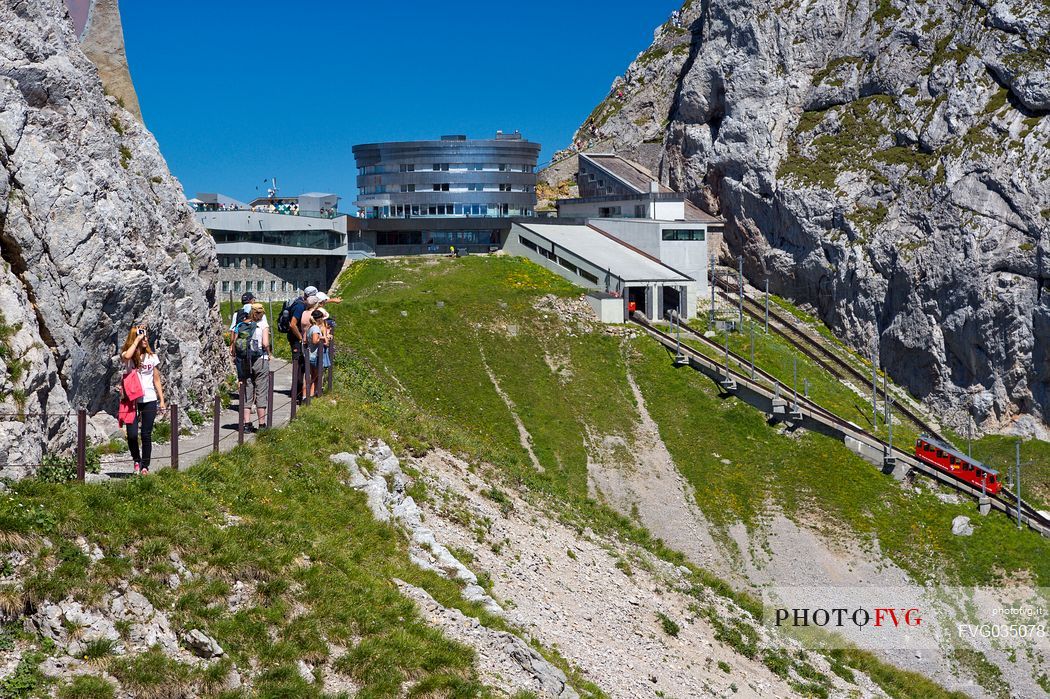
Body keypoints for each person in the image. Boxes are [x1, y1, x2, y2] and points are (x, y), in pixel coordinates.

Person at [120, 324, 166, 475]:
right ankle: (136, 459)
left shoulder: (152, 357)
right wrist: (137, 339)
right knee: (132, 434)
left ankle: (145, 465)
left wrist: (162, 400)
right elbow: (127, 356)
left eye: (146, 336)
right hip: (132, 400)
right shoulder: (128, 355)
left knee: (146, 434)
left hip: (149, 398)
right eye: (142, 336)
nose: (146, 339)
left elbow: (157, 379)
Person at [230, 303, 270, 431]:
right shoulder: (263, 325)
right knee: (261, 390)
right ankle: (262, 424)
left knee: (247, 390)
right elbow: (265, 343)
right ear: (262, 313)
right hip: (260, 360)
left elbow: (235, 345)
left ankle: (246, 424)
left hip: (245, 361)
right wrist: (268, 352)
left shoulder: (241, 325)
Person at [286, 285, 317, 402]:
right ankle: (297, 394)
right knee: (299, 366)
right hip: (296, 339)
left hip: (297, 338)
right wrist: (300, 338)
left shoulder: (300, 302)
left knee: (301, 365)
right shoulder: (299, 306)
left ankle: (298, 392)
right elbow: (292, 324)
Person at [304, 309, 326, 397]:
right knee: (314, 377)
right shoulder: (316, 328)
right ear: (319, 319)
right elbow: (314, 340)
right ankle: (311, 395)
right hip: (314, 355)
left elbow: (305, 340)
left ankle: (309, 395)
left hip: (309, 354)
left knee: (311, 376)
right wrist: (323, 337)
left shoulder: (310, 327)